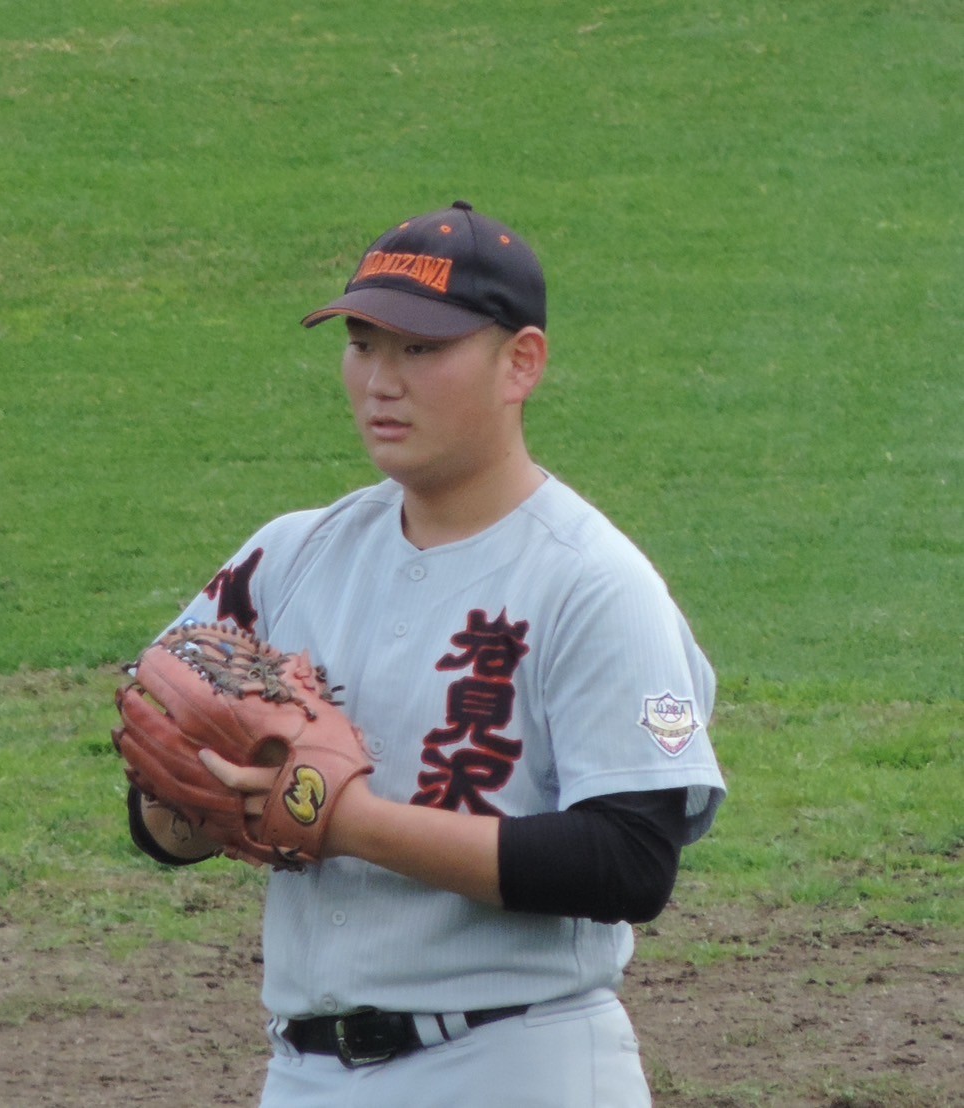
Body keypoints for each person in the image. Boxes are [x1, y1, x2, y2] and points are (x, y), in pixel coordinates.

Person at [123, 200, 727, 1106]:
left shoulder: (592, 583)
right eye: (362, 345)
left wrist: (340, 819)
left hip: (514, 1065)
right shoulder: (289, 555)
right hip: (302, 1073)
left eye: (419, 349)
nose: (380, 382)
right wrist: (193, 801)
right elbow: (159, 804)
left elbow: (628, 862)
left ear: (520, 363)